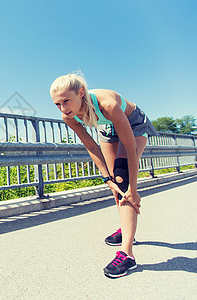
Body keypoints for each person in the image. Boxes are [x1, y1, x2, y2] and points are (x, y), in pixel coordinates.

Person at [49, 72, 158, 278]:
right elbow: (91, 145)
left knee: (122, 179)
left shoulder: (107, 104)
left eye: (66, 101)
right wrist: (106, 179)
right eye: (57, 104)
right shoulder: (68, 116)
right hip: (107, 129)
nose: (63, 109)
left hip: (133, 125)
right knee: (116, 187)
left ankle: (127, 254)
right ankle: (127, 231)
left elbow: (130, 147)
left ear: (81, 93)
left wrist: (133, 189)